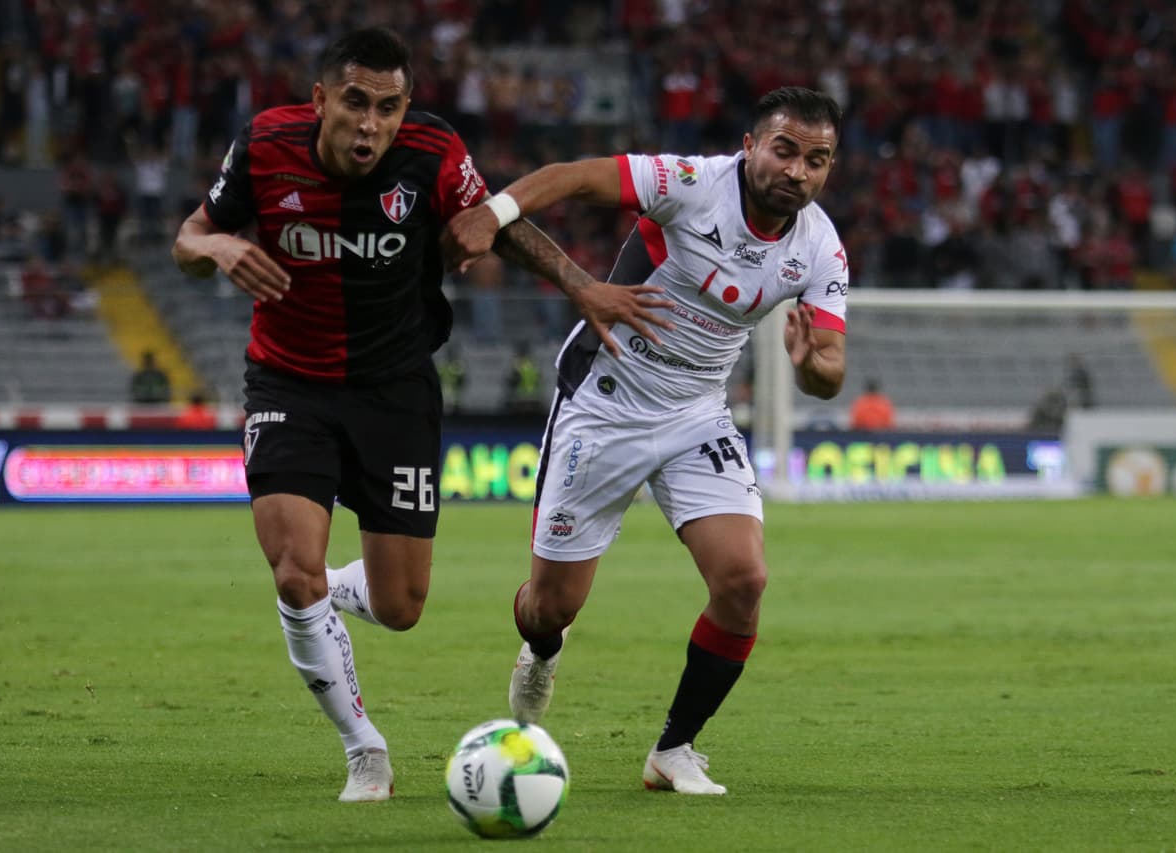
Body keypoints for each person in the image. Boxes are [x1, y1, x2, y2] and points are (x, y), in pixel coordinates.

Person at [170, 28, 670, 803]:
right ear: (322, 101)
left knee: (400, 606)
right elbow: (188, 236)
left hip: (396, 389)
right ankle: (362, 746)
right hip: (288, 384)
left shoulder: (433, 153)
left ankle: (338, 588)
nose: (371, 123)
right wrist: (220, 250)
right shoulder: (266, 145)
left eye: (389, 107)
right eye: (356, 103)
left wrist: (579, 282)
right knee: (293, 570)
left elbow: (495, 225)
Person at [443, 86, 848, 796]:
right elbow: (573, 174)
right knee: (551, 606)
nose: (799, 172)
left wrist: (814, 365)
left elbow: (829, 374)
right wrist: (491, 212)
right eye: (785, 150)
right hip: (605, 400)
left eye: (817, 160)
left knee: (744, 580)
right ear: (750, 146)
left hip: (698, 412)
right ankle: (542, 646)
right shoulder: (692, 185)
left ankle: (674, 749)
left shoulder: (819, 246)